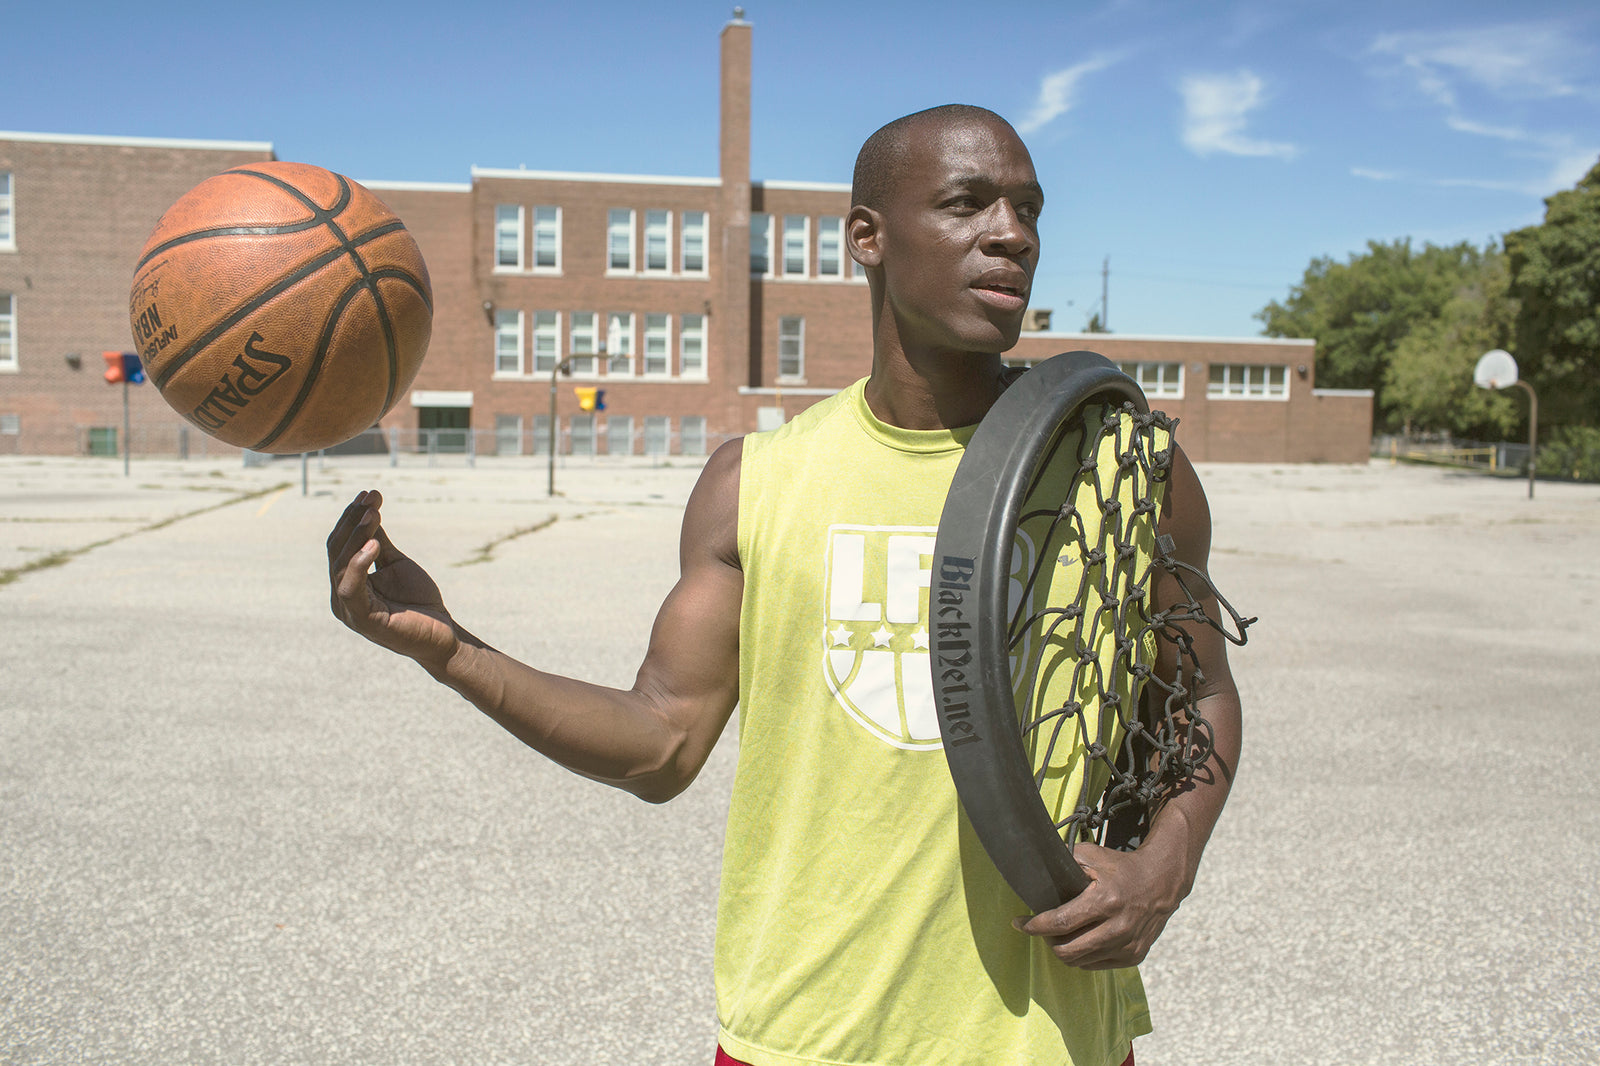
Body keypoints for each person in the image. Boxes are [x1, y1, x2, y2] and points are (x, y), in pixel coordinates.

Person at [328, 104, 1241, 1066]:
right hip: (802, 1035)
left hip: (1051, 1041)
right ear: (866, 238)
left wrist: (1164, 865)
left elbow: (1201, 696)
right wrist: (452, 648)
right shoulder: (751, 484)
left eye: (1028, 209)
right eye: (968, 203)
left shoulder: (1123, 468)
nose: (1011, 234)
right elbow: (662, 743)